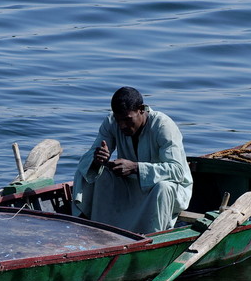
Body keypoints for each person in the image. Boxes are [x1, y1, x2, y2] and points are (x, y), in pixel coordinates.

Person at [73, 86, 193, 234]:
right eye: (118, 120)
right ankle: (94, 229)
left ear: (141, 109)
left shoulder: (163, 125)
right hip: (132, 184)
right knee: (90, 171)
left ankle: (151, 238)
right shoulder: (111, 122)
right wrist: (98, 159)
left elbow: (178, 171)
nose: (122, 125)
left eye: (128, 120)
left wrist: (136, 168)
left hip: (167, 190)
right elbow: (88, 159)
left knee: (163, 187)